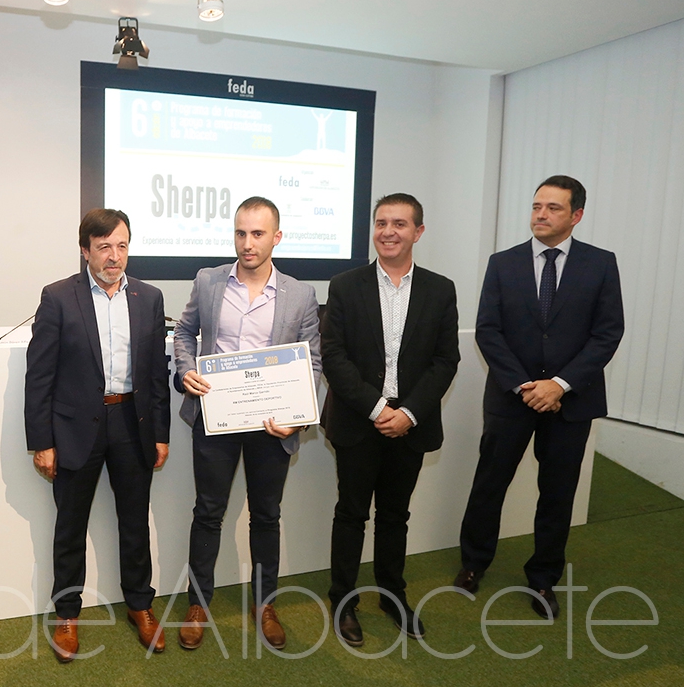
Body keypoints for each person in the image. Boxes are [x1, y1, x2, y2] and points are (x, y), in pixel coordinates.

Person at [455, 175, 623, 620]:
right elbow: (488, 330)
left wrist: (559, 385)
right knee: (490, 484)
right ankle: (473, 563)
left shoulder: (601, 264)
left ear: (576, 215)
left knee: (558, 493)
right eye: (536, 206)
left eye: (553, 208)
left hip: (572, 402)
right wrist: (525, 386)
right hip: (513, 397)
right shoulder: (503, 263)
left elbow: (608, 333)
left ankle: (544, 577)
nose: (541, 215)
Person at [174, 196, 321, 651]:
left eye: (257, 234)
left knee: (266, 515)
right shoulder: (209, 280)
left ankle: (265, 604)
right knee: (208, 512)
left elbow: (312, 361)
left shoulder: (300, 294)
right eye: (240, 233)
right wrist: (186, 369)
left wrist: (298, 417)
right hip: (216, 417)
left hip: (271, 425)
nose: (247, 243)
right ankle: (198, 603)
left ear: (277, 237)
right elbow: (184, 333)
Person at [24, 208, 172, 661]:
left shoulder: (148, 297)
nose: (114, 256)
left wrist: (161, 433)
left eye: (122, 246)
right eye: (104, 247)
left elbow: (155, 374)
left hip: (132, 423)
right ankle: (67, 614)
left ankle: (140, 605)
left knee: (135, 522)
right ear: (85, 250)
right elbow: (39, 376)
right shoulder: (58, 297)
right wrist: (42, 441)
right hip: (74, 428)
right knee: (70, 526)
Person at [320, 193, 459, 646]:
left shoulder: (440, 289)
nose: (388, 232)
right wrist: (379, 408)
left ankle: (392, 595)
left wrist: (409, 413)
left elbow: (446, 360)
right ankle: (343, 600)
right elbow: (334, 356)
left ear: (418, 231)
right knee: (351, 513)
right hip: (360, 419)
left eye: (399, 223)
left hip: (411, 424)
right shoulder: (344, 286)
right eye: (381, 223)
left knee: (395, 515)